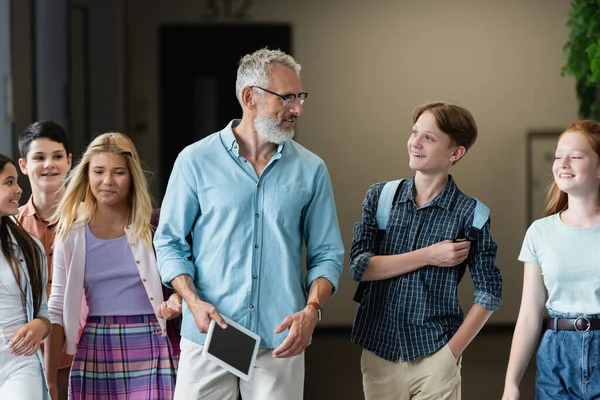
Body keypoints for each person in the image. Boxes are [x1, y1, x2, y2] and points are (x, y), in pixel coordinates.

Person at [154, 48, 344, 400]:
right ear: (249, 97)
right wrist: (193, 301)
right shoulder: (195, 161)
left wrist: (312, 310)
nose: (298, 108)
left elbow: (328, 253)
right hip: (211, 334)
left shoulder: (311, 169)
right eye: (287, 98)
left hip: (280, 338)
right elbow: (169, 242)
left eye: (299, 97)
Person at [350, 101, 503, 400]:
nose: (414, 143)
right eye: (414, 132)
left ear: (455, 153)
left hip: (436, 353)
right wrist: (430, 255)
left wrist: (451, 353)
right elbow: (360, 267)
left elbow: (489, 291)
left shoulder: (473, 215)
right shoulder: (381, 197)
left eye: (429, 138)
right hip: (379, 352)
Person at [46, 132, 181, 400]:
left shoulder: (156, 226)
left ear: (132, 177)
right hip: (96, 344)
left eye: (118, 172)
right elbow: (57, 306)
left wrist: (178, 298)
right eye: (98, 171)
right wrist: (49, 379)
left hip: (153, 340)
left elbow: (185, 278)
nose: (107, 181)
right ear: (87, 174)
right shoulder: (70, 234)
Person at [502, 120, 600, 400]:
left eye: (576, 156)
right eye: (558, 156)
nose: (563, 163)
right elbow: (530, 314)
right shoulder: (539, 232)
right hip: (556, 357)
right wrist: (511, 382)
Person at [17, 120, 73, 399]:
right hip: (27, 357)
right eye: (39, 157)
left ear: (69, 162)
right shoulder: (11, 228)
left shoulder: (89, 220)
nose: (49, 164)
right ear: (24, 165)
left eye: (57, 156)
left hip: (81, 354)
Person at [0, 153, 51, 399]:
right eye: (9, 182)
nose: (19, 189)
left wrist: (40, 325)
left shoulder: (31, 246)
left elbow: (43, 313)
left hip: (19, 360)